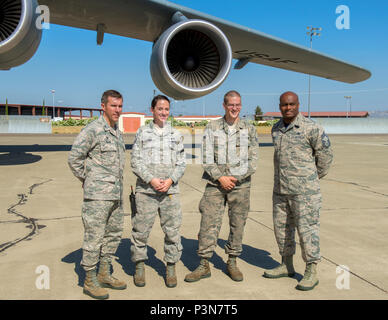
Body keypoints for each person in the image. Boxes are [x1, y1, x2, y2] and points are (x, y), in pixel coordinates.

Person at [185, 90, 259, 283]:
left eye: (238, 105)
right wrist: (221, 178)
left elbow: (253, 160)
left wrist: (234, 177)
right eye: (231, 105)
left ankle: (232, 261)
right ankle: (203, 264)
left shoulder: (248, 129)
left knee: (237, 224)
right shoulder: (213, 127)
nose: (234, 108)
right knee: (208, 223)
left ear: (241, 106)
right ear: (224, 105)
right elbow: (206, 157)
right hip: (215, 185)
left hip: (240, 185)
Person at [263, 91, 333, 291]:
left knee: (307, 230)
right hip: (281, 190)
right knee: (282, 229)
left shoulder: (311, 128)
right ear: (280, 106)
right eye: (284, 105)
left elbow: (325, 157)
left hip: (305, 192)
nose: (288, 108)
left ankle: (311, 270)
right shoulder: (276, 129)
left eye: (292, 104)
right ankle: (286, 264)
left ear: (298, 105)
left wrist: (310, 179)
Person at [68, 90, 126, 300]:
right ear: (103, 106)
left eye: (120, 106)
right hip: (98, 198)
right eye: (113, 106)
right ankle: (89, 280)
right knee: (94, 238)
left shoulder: (116, 131)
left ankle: (104, 273)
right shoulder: (93, 130)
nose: (118, 110)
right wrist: (88, 180)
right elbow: (74, 158)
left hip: (116, 196)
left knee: (113, 236)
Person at [130, 95, 186, 288]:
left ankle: (170, 266)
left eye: (166, 109)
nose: (163, 112)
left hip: (170, 191)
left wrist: (170, 180)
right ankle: (139, 265)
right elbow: (135, 161)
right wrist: (152, 180)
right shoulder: (142, 132)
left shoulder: (176, 134)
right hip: (146, 191)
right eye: (160, 109)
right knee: (141, 231)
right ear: (152, 110)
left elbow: (181, 163)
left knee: (172, 231)